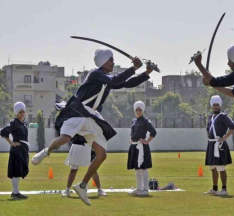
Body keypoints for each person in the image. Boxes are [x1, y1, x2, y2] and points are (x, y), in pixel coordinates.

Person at [31, 48, 153, 206]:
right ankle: (46, 152)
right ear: (102, 61)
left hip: (91, 116)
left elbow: (127, 83)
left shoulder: (107, 80)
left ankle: (82, 186)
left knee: (101, 154)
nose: (113, 63)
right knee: (65, 138)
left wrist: (146, 73)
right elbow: (116, 80)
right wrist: (134, 68)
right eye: (111, 60)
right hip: (77, 111)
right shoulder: (95, 74)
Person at [203, 95, 234, 196]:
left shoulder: (223, 116)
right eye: (214, 105)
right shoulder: (210, 117)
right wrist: (209, 138)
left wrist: (224, 138)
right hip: (211, 144)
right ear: (212, 106)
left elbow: (232, 126)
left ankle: (224, 189)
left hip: (219, 144)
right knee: (212, 167)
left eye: (217, 105)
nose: (215, 107)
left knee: (220, 167)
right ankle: (215, 188)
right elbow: (208, 129)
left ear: (220, 105)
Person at [0, 102, 29, 199]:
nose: (22, 113)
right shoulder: (14, 122)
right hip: (17, 150)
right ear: (16, 113)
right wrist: (11, 143)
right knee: (16, 171)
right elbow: (3, 132)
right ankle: (15, 193)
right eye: (20, 112)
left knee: (20, 170)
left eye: (23, 111)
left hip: (23, 150)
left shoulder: (23, 123)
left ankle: (16, 192)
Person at [128, 101, 157, 197]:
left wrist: (147, 141)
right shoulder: (134, 120)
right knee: (137, 169)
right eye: (136, 109)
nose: (138, 111)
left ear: (143, 110)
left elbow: (153, 132)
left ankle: (145, 189)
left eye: (140, 109)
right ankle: (139, 188)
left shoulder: (145, 121)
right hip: (134, 146)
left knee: (143, 168)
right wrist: (131, 138)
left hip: (142, 147)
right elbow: (132, 132)